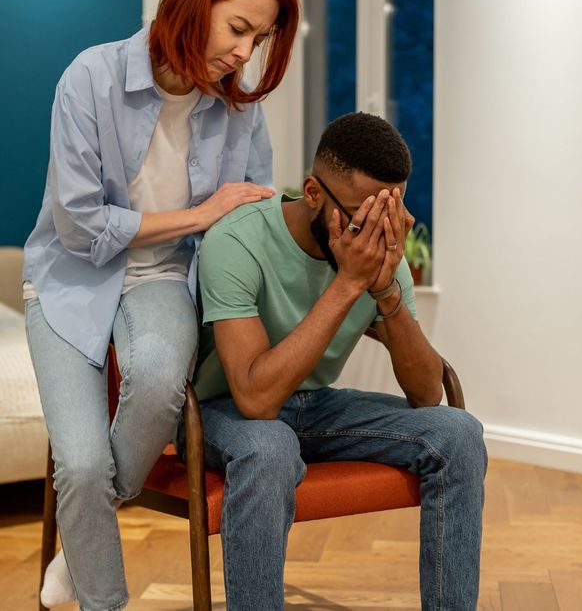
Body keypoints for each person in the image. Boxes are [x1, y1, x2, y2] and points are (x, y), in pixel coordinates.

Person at [23, 0, 299, 610]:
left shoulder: (239, 107)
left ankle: (89, 526)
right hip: (68, 277)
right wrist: (203, 214)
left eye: (258, 38)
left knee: (149, 383)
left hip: (165, 279)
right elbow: (81, 227)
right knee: (78, 464)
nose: (243, 52)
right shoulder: (90, 76)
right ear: (193, 2)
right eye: (238, 28)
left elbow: (250, 214)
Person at [189, 112, 487, 610]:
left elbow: (426, 394)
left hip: (317, 408)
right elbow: (256, 398)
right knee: (269, 446)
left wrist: (386, 288)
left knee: (458, 433)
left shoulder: (379, 256)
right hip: (225, 412)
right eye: (360, 216)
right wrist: (349, 283)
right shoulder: (238, 241)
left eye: (388, 215)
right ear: (312, 193)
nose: (376, 232)